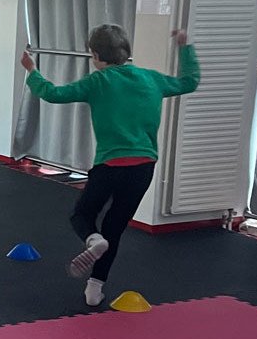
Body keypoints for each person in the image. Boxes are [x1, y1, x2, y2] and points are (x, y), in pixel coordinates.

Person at [20, 25, 200, 307]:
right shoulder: (151, 79)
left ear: (95, 55)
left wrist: (31, 70)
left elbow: (52, 93)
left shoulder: (98, 81)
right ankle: (94, 290)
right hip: (143, 167)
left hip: (110, 165)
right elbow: (190, 82)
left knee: (81, 216)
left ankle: (93, 241)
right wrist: (184, 46)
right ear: (126, 51)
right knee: (114, 228)